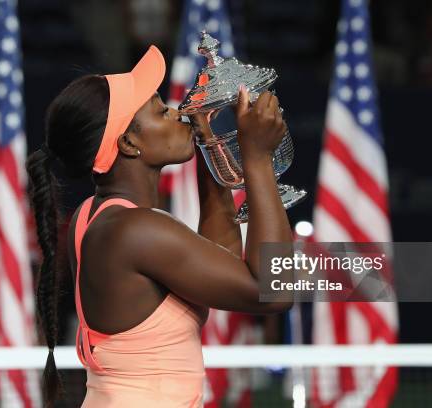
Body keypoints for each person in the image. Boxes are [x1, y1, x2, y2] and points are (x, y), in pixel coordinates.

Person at [26, 45, 293, 408]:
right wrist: (258, 158)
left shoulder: (96, 216)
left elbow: (220, 261)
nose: (177, 113)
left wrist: (208, 142)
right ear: (129, 143)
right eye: (160, 110)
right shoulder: (134, 230)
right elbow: (275, 290)